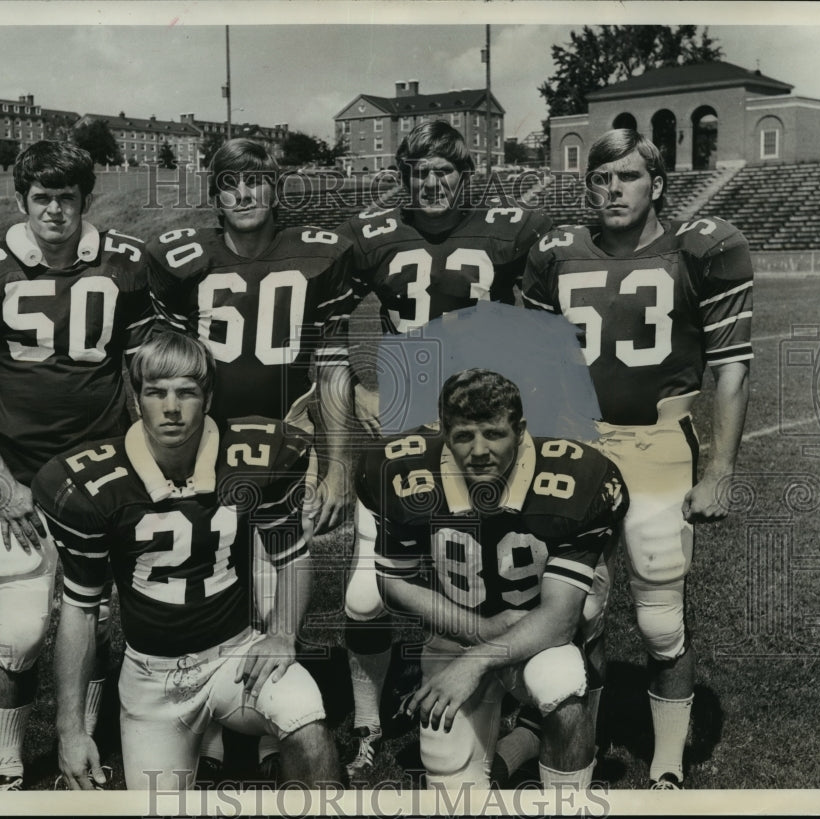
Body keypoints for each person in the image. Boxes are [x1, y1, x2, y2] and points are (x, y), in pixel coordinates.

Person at [521, 128, 753, 789]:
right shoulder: (558, 252)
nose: (613, 189)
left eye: (627, 176)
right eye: (601, 178)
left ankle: (669, 763)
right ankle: (578, 756)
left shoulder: (702, 247)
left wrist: (721, 469)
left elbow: (733, 368)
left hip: (656, 448)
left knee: (658, 620)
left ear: (658, 184)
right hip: (577, 450)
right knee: (576, 611)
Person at [0, 139, 153, 790]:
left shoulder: (126, 264)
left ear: (86, 199)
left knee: (99, 619)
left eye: (67, 197)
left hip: (103, 477)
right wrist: (1, 483)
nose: (55, 209)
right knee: (22, 635)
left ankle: (79, 747)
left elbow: (142, 370)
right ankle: (7, 764)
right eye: (42, 197)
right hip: (24, 481)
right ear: (21, 200)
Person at [336, 120, 554, 779]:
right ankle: (370, 722)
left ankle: (529, 704)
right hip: (406, 417)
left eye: (444, 172)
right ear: (405, 177)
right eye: (419, 173)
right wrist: (360, 383)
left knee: (515, 574)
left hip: (484, 426)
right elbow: (325, 317)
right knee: (366, 595)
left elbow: (551, 308)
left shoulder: (512, 226)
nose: (431, 183)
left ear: (466, 174)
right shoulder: (371, 234)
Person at [33, 331, 341, 790]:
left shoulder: (252, 456)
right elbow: (79, 609)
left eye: (186, 392)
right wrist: (70, 729)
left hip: (233, 657)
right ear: (137, 400)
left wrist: (281, 633)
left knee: (308, 725)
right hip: (151, 679)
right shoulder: (92, 486)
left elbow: (292, 555)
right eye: (156, 393)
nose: (171, 407)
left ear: (208, 396)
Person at [147, 138, 359, 778]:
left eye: (256, 181)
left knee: (275, 593)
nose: (243, 194)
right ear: (215, 193)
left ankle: (265, 738)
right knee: (210, 588)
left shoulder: (321, 254)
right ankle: (212, 732)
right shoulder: (181, 258)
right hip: (205, 447)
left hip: (285, 449)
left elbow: (332, 365)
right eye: (230, 183)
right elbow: (166, 372)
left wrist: (341, 462)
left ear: (277, 187)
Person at [355, 369, 627, 791]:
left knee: (562, 685)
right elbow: (394, 582)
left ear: (519, 431)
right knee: (449, 775)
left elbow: (559, 617)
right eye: (464, 436)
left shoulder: (576, 480)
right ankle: (516, 745)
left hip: (538, 635)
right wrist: (478, 631)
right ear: (443, 431)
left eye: (493, 435)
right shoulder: (404, 472)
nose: (479, 451)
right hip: (457, 632)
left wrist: (479, 658)